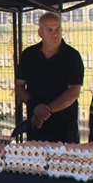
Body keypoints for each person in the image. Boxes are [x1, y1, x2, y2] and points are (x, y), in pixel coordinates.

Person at [15, 12, 84, 143]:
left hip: (65, 128)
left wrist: (46, 111)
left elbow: (74, 91)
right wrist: (35, 106)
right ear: (40, 32)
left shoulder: (72, 56)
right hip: (36, 126)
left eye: (58, 29)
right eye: (50, 30)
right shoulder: (28, 55)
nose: (55, 34)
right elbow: (19, 86)